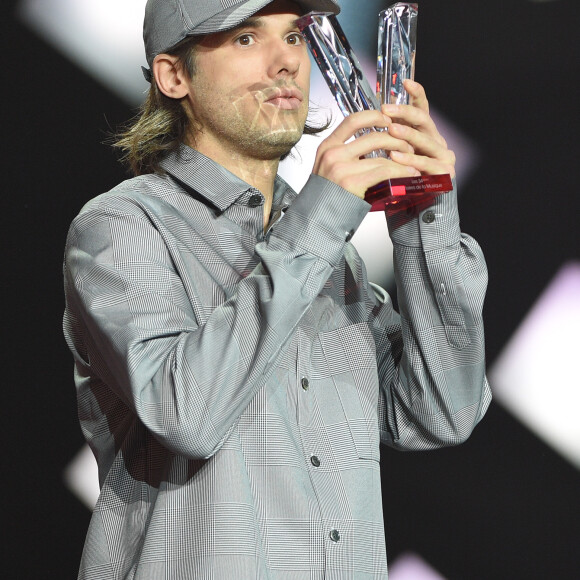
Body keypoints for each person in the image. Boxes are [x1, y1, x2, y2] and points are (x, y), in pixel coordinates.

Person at [63, 0, 491, 578]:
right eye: (244, 39)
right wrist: (321, 217)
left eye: (293, 36)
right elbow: (186, 414)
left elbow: (442, 411)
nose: (286, 62)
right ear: (174, 76)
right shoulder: (120, 227)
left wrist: (423, 218)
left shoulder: (329, 255)